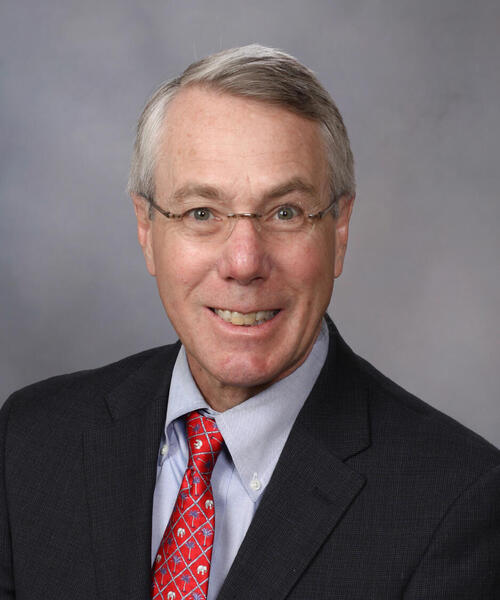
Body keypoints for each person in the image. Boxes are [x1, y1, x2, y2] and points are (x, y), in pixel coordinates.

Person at [1, 45, 499, 600]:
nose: (243, 263)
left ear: (339, 230)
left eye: (285, 212)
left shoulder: (457, 503)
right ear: (146, 228)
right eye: (201, 213)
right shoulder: (32, 440)